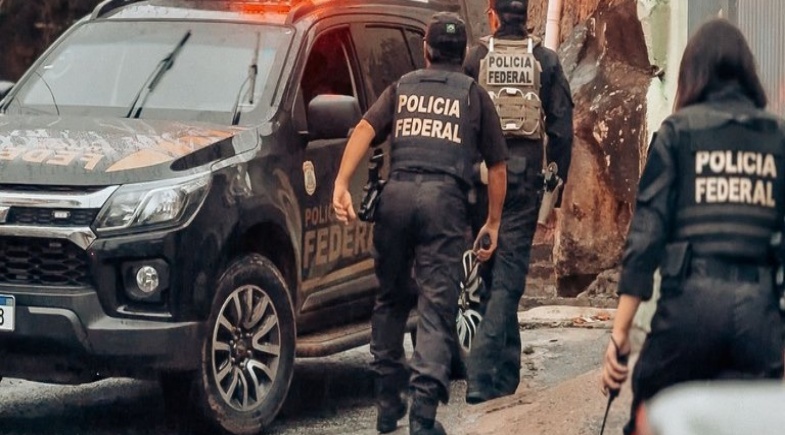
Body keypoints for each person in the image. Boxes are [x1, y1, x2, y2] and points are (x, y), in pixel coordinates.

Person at [600, 18, 785, 435]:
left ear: (692, 74)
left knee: (651, 413)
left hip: (687, 316)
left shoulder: (676, 134)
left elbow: (645, 237)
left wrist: (620, 335)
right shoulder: (777, 138)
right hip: (759, 318)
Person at [332, 12, 508, 435]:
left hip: (396, 198)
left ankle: (387, 404)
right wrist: (493, 223)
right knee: (435, 308)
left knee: (391, 299)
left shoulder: (403, 86)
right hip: (443, 205)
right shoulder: (474, 95)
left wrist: (341, 182)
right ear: (463, 54)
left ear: (426, 49)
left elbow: (364, 128)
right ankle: (423, 418)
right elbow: (498, 168)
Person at [463, 0, 574, 404]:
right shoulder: (545, 60)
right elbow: (561, 128)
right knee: (508, 278)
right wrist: (555, 183)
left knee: (494, 275)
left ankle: (500, 374)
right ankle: (486, 373)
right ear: (525, 15)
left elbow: (462, 120)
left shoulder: (476, 58)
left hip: (481, 179)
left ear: (492, 15)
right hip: (524, 181)